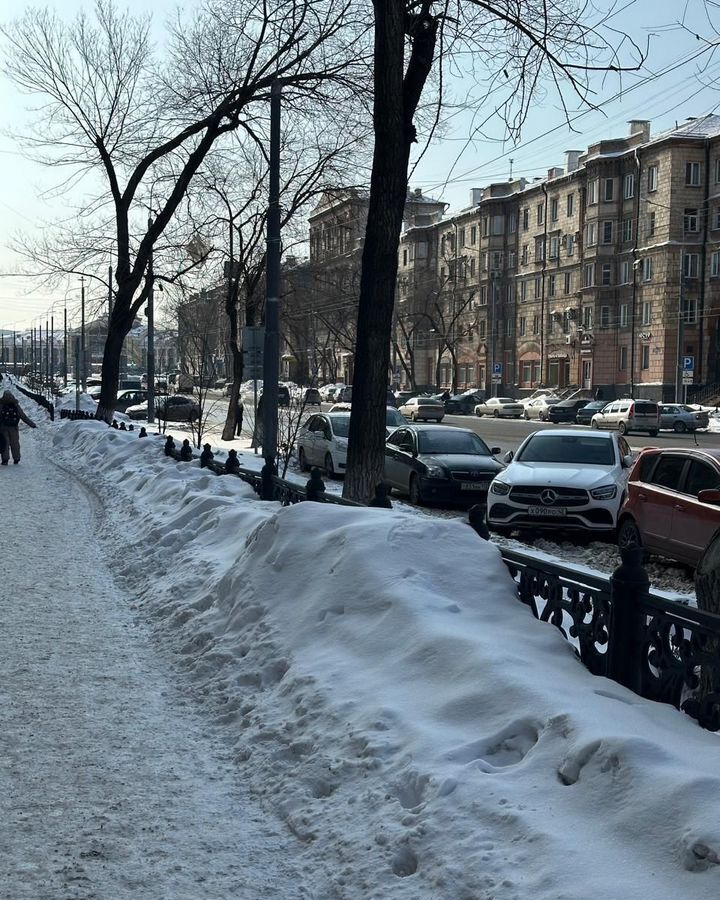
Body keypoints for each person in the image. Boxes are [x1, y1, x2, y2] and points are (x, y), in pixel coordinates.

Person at [0, 390, 37, 465]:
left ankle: (5, 459)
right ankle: (16, 458)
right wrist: (32, 424)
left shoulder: (1, 404)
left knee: (5, 443)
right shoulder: (15, 404)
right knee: (15, 443)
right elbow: (23, 416)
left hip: (3, 427)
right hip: (14, 428)